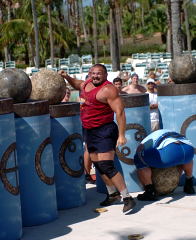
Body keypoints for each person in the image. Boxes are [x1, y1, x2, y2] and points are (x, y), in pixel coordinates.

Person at [58, 64, 136, 213]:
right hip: (89, 131)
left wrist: (121, 135)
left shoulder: (108, 89)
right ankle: (112, 194)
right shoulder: (86, 83)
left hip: (105, 130)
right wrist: (67, 77)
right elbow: (77, 84)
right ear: (89, 74)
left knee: (107, 165)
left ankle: (127, 198)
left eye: (99, 73)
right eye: (93, 73)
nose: (95, 76)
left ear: (105, 75)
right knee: (98, 165)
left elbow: (120, 112)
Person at [134, 129, 195, 201]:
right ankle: (189, 184)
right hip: (189, 148)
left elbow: (139, 150)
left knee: (138, 158)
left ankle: (150, 192)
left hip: (170, 151)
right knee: (186, 157)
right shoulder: (169, 132)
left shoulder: (145, 141)